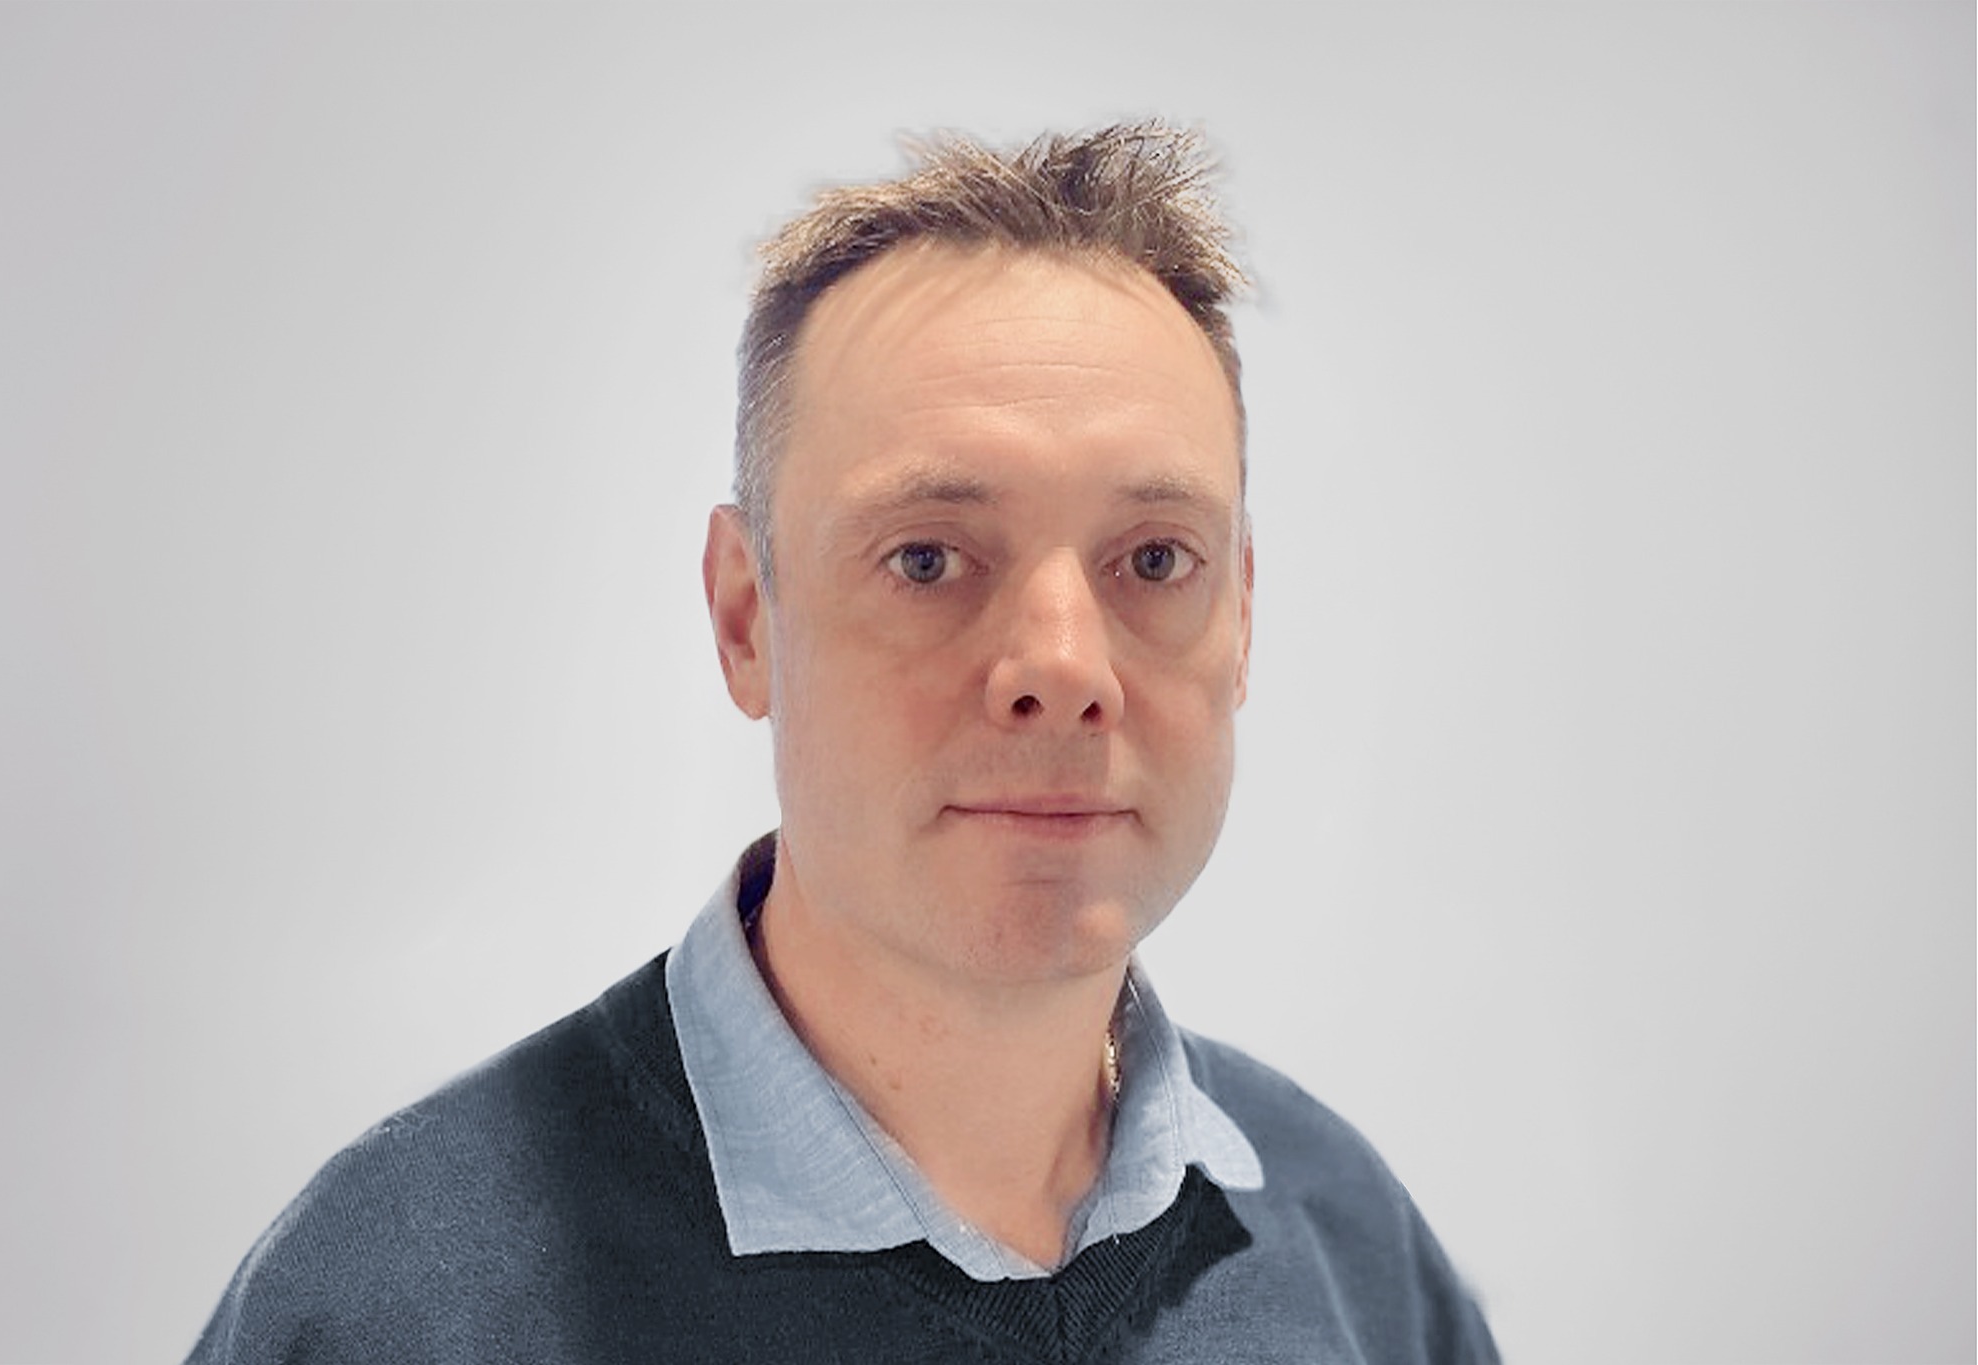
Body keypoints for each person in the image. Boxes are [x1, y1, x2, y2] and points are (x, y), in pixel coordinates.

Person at [187, 122, 1500, 1364]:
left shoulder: (1351, 1251)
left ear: (1244, 617)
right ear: (746, 618)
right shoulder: (398, 1306)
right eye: (928, 557)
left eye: (1156, 559)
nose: (1063, 670)